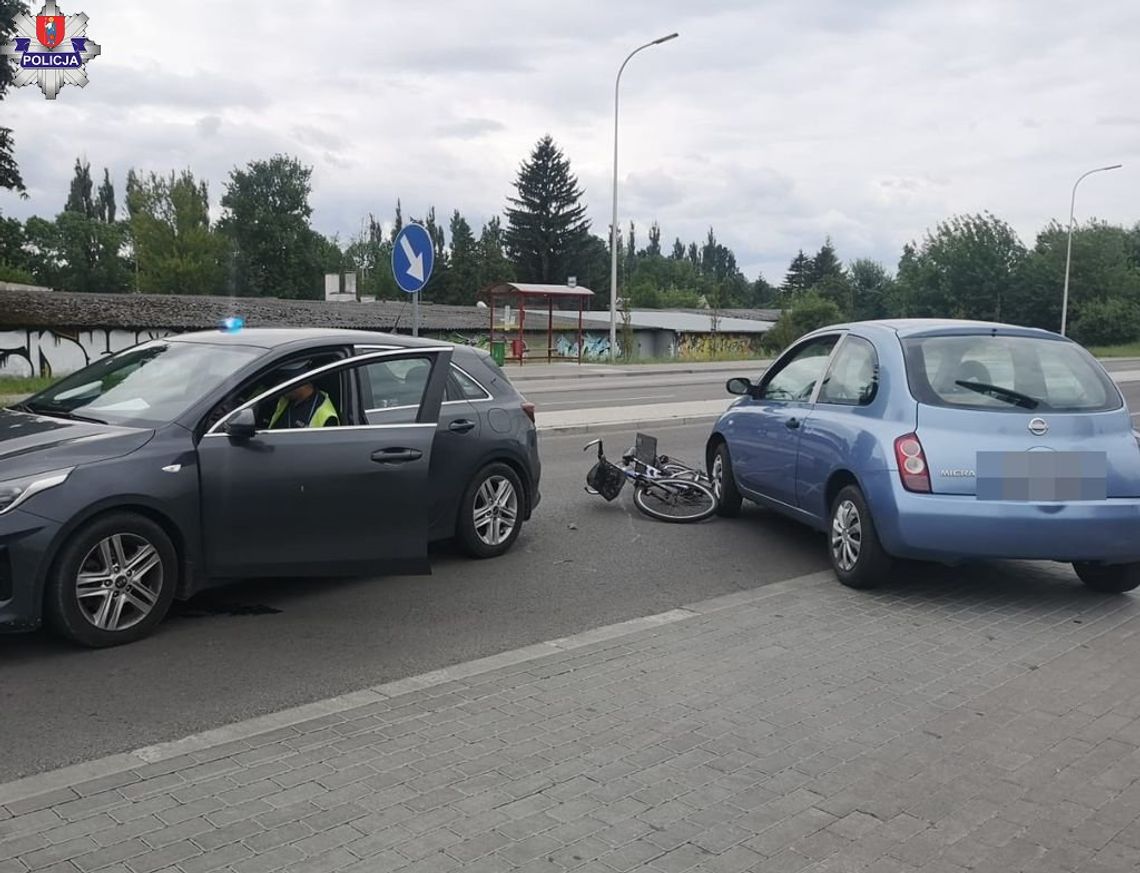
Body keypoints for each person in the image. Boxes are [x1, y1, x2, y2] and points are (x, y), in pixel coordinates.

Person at [267, 363, 339, 429]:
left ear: (300, 381)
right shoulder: (285, 400)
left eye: (284, 381)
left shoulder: (325, 415)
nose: (279, 385)